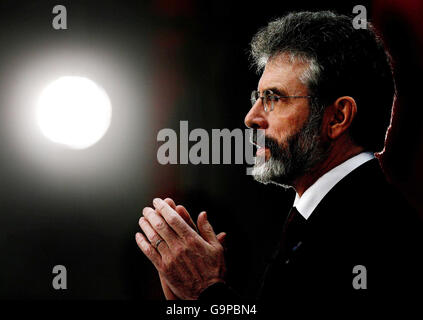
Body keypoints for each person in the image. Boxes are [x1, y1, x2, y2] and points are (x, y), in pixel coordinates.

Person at [135, 11, 423, 301]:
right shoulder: (325, 217)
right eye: (257, 99)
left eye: (274, 98)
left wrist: (206, 291)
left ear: (337, 117)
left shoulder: (378, 233)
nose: (251, 117)